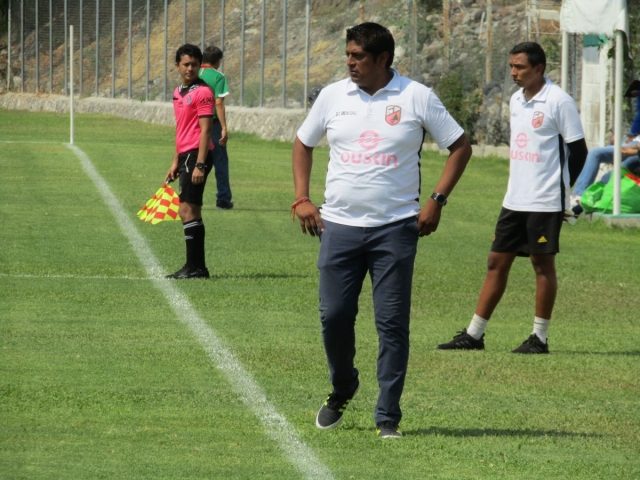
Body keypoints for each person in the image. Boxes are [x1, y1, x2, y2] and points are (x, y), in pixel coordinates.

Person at [292, 22, 472, 438]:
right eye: (348, 55)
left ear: (382, 60)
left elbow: (460, 146)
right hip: (338, 226)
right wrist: (301, 197)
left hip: (395, 229)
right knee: (333, 316)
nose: (350, 63)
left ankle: (387, 415)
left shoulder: (416, 96)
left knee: (391, 324)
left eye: (358, 57)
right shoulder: (332, 96)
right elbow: (303, 143)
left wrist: (437, 201)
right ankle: (343, 386)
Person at [437, 41, 588, 354]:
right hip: (514, 200)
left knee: (541, 264)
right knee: (496, 261)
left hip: (545, 200)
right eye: (511, 66)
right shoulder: (516, 100)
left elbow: (579, 151)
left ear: (539, 68)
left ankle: (539, 338)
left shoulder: (559, 100)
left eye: (519, 67)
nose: (513, 73)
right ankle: (474, 335)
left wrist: (564, 191)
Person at [165, 44, 215, 279]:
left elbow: (205, 131)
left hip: (198, 154)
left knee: (188, 209)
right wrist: (176, 159)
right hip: (186, 155)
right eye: (186, 64)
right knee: (188, 209)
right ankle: (196, 267)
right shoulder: (178, 92)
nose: (190, 68)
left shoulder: (203, 92)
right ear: (177, 66)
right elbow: (181, 128)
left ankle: (195, 267)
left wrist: (200, 164)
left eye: (194, 64)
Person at [199, 46, 233, 210]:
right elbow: (218, 103)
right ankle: (223, 199)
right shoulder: (218, 77)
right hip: (212, 124)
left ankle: (192, 196)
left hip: (195, 123)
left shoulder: (193, 73)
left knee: (197, 159)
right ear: (218, 61)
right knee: (220, 161)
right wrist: (224, 127)